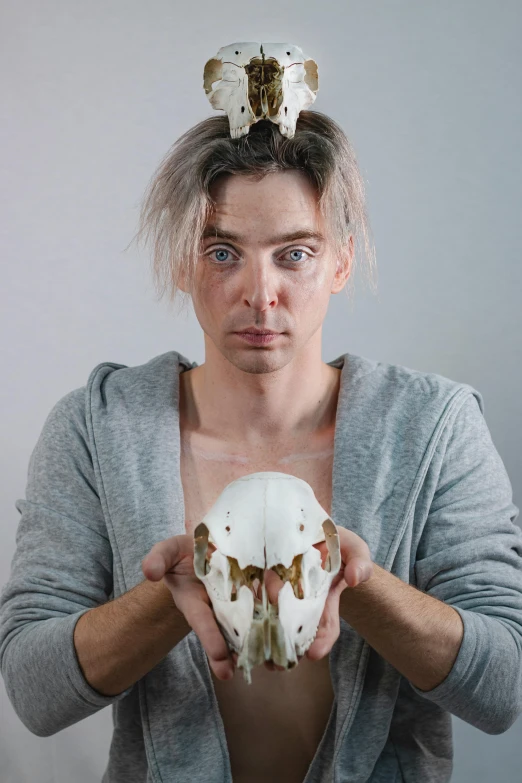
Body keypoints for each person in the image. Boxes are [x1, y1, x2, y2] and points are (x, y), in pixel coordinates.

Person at [1, 111, 522, 783]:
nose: (259, 293)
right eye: (222, 252)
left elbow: (504, 683)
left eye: (294, 253)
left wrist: (355, 581)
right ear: (181, 260)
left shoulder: (433, 425)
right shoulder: (98, 427)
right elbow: (32, 690)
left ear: (341, 259)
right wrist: (171, 596)